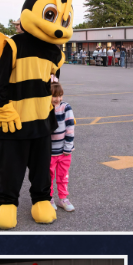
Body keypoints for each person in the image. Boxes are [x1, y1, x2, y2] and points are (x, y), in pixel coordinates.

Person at [49, 82, 75, 212]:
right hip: (50, 152)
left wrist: (68, 147)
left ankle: (63, 198)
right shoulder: (46, 108)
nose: (57, 99)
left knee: (63, 176)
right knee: (48, 176)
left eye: (60, 95)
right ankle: (49, 198)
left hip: (64, 152)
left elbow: (70, 128)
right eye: (53, 96)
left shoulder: (66, 107)